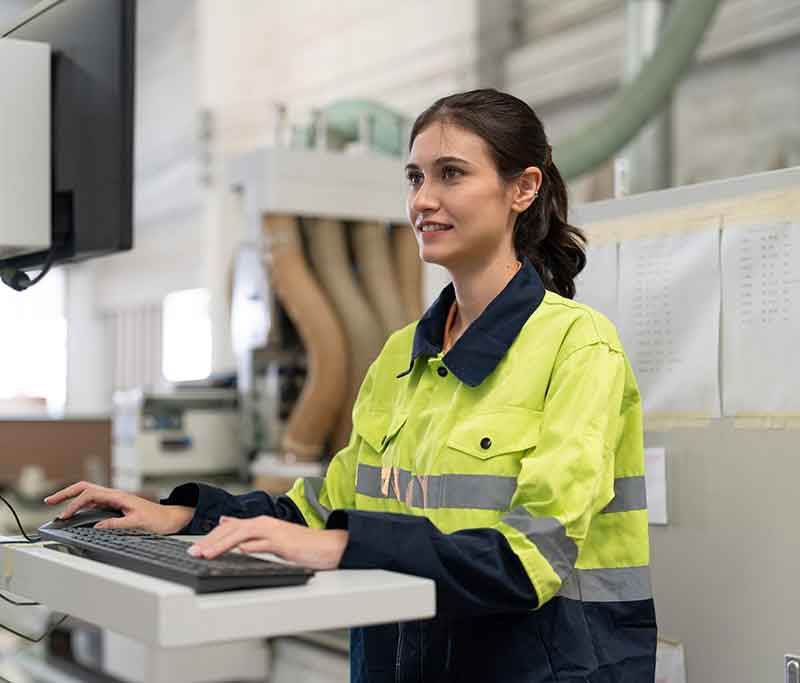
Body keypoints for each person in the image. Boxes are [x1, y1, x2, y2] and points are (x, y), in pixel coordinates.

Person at [46, 89, 657, 682]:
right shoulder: (401, 355)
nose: (424, 200)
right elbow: (319, 508)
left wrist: (342, 545)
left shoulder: (578, 348)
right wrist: (181, 516)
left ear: (521, 188)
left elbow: (530, 559)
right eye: (416, 178)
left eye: (451, 174)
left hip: (535, 667)